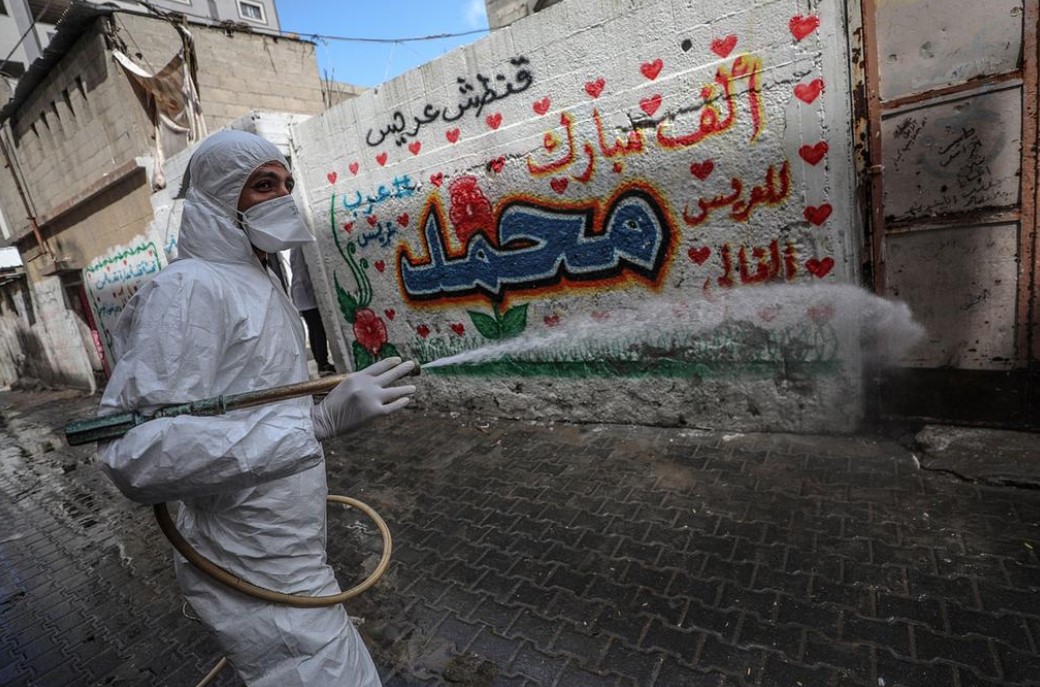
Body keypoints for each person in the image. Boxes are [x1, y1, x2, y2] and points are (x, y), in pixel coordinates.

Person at [96, 130, 415, 686]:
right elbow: (136, 452)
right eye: (263, 185)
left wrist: (318, 401)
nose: (283, 196)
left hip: (287, 546)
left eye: (286, 183)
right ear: (220, 197)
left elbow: (248, 394)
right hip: (247, 557)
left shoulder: (259, 279)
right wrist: (313, 424)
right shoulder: (189, 288)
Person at [290, 246, 337, 376]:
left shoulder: (295, 248)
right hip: (307, 294)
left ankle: (321, 363)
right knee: (318, 329)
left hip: (302, 294)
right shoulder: (301, 246)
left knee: (314, 329)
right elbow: (303, 274)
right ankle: (323, 364)